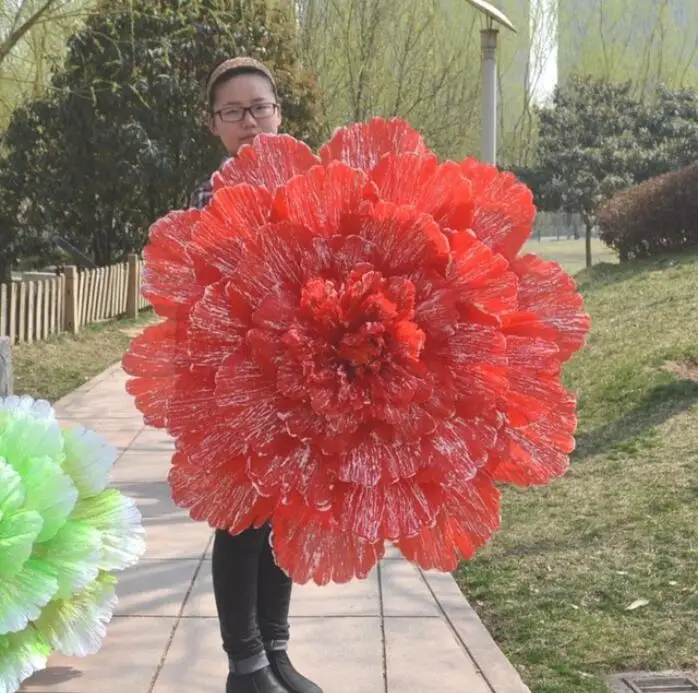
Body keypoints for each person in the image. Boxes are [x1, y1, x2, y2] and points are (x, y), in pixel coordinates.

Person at [190, 57, 324, 693]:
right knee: (240, 516)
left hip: (299, 380)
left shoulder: (310, 184)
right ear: (214, 124)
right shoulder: (209, 197)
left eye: (260, 107)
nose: (250, 122)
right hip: (233, 382)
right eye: (234, 112)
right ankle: (244, 664)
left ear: (279, 112)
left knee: (283, 515)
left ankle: (276, 650)